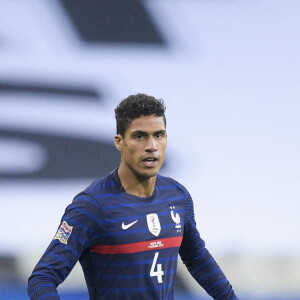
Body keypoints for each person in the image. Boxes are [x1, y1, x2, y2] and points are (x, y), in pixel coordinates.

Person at [27, 93, 238, 299]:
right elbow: (42, 279)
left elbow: (197, 258)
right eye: (139, 136)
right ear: (119, 142)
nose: (151, 146)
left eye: (158, 135)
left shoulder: (177, 196)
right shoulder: (92, 206)